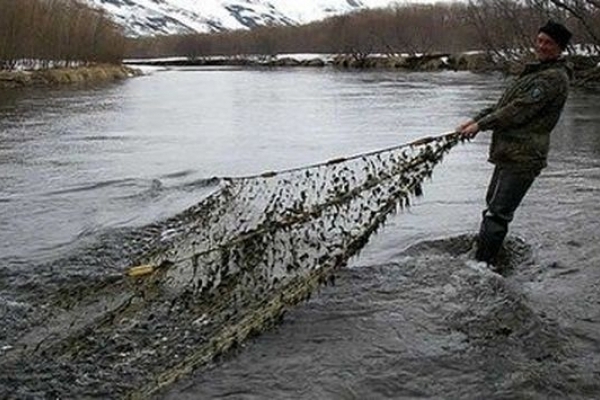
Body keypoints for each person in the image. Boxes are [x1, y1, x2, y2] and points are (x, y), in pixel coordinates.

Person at [457, 20, 572, 267]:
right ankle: (487, 257)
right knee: (492, 208)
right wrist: (475, 120)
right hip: (509, 153)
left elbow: (516, 111)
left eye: (548, 43)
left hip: (524, 157)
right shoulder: (535, 72)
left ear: (560, 48)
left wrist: (481, 126)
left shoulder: (552, 79)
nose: (541, 46)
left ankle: (482, 267)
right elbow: (502, 105)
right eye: (540, 40)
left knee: (498, 213)